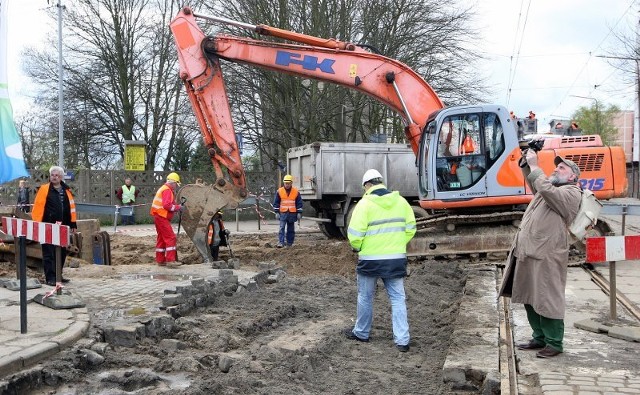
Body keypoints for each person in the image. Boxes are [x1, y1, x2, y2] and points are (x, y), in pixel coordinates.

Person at [499, 149, 582, 358]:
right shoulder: (550, 190)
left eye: (562, 168)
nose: (556, 169)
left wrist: (536, 166)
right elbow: (537, 184)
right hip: (530, 251)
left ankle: (554, 342)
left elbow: (544, 187)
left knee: (548, 298)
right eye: (556, 166)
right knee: (530, 296)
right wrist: (527, 163)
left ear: (572, 176)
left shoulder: (571, 193)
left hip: (548, 254)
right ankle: (540, 337)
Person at [344, 169, 417, 352]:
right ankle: (402, 340)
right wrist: (397, 244)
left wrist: (359, 247)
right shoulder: (401, 202)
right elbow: (411, 229)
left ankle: (361, 333)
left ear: (367, 185)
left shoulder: (364, 204)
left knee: (365, 296)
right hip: (395, 260)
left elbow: (354, 235)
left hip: (370, 260)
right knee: (398, 298)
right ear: (381, 182)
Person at [31, 166, 77, 286]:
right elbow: (38, 207)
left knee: (61, 252)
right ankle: (50, 277)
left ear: (61, 177)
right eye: (52, 175)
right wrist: (37, 223)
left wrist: (73, 223)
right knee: (48, 252)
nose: (54, 177)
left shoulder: (67, 190)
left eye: (56, 175)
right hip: (47, 226)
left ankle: (58, 275)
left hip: (63, 227)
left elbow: (71, 208)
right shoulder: (44, 189)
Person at [150, 172, 183, 267]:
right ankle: (170, 261)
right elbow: (167, 205)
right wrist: (178, 208)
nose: (176, 186)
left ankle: (160, 260)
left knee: (161, 238)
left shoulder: (164, 189)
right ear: (173, 182)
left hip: (158, 217)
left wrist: (176, 208)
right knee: (170, 237)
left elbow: (167, 205)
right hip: (162, 217)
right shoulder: (167, 190)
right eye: (176, 184)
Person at [273, 174, 303, 248]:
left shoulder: (296, 192)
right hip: (283, 213)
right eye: (286, 183)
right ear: (284, 183)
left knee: (291, 229)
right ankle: (281, 242)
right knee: (281, 228)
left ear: (291, 183)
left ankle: (289, 243)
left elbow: (299, 203)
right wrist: (276, 212)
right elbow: (276, 202)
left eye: (288, 183)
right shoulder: (279, 191)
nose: (287, 185)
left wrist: (299, 213)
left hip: (292, 213)